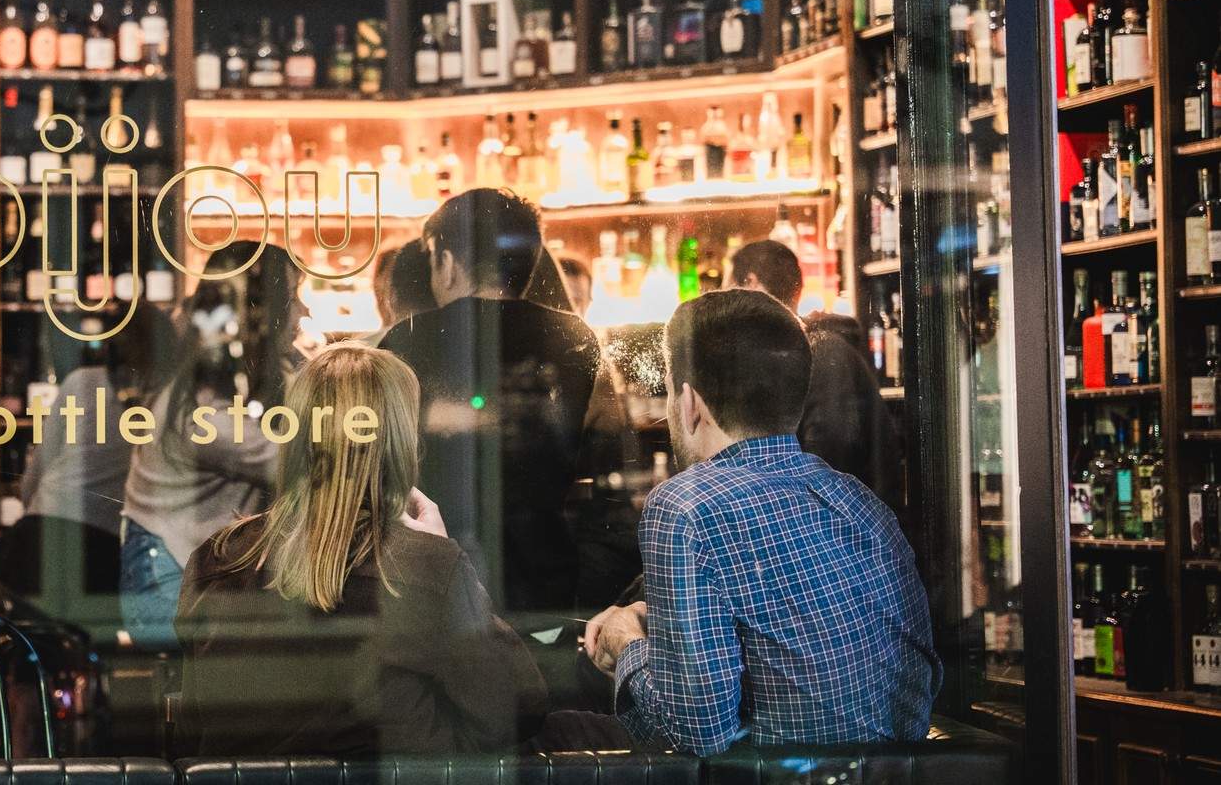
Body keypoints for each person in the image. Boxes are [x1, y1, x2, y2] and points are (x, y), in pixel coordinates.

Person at [585, 289, 940, 756]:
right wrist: (663, 623)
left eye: (670, 391)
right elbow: (909, 686)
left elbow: (696, 733)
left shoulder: (684, 505)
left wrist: (627, 642)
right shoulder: (858, 501)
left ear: (689, 403)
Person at [175, 344, 546, 756]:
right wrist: (441, 553)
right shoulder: (423, 565)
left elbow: (194, 729)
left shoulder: (216, 559)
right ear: (399, 444)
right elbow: (520, 706)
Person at [378, 189, 631, 623]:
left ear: (446, 261)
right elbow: (612, 472)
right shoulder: (576, 340)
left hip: (426, 580)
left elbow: (373, 466)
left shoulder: (405, 340)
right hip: (543, 585)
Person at [118, 240, 308, 649]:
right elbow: (305, 465)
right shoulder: (207, 414)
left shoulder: (219, 381)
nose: (304, 311)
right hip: (164, 585)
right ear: (261, 312)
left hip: (182, 571)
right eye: (294, 298)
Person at [1, 301, 180, 602]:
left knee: (28, 632)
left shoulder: (82, 382)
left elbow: (33, 479)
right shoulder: (168, 400)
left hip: (37, 537)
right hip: (98, 548)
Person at [728, 240, 904, 510]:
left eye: (728, 292)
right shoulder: (796, 356)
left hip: (844, 531)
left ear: (751, 283)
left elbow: (827, 470)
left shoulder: (822, 353)